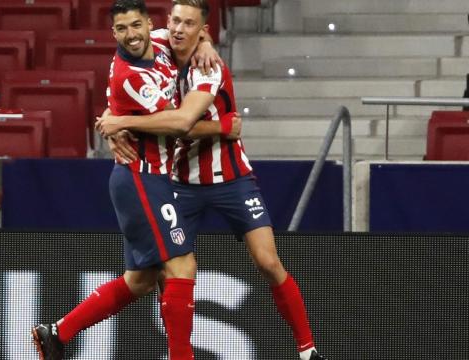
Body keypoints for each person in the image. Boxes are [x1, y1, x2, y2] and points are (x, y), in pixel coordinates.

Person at [96, 1, 328, 359]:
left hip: (232, 178)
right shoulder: (155, 41)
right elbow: (125, 78)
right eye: (175, 20)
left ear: (202, 28)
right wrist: (112, 120)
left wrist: (122, 122)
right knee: (155, 276)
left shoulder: (209, 67)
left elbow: (182, 121)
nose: (178, 29)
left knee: (267, 262)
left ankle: (307, 349)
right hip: (180, 181)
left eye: (189, 24)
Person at [31, 1, 222, 359]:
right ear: (112, 33)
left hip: (146, 178)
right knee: (183, 265)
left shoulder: (163, 41)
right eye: (122, 29)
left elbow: (192, 31)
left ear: (150, 24)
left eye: (137, 25)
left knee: (141, 280)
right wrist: (119, 122)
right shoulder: (129, 75)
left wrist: (207, 41)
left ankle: (57, 333)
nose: (132, 35)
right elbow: (179, 122)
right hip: (142, 178)